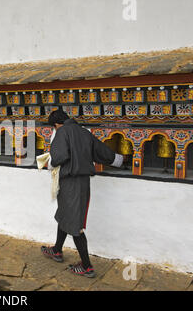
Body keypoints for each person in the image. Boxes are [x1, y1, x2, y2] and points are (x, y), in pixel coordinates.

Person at [41, 109, 123, 278]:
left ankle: (87, 266)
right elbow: (102, 152)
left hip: (71, 182)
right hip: (83, 182)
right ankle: (56, 250)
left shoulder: (62, 132)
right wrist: (119, 160)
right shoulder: (84, 132)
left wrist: (49, 162)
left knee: (75, 224)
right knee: (65, 215)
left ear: (56, 124)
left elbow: (60, 156)